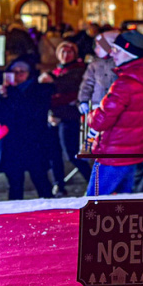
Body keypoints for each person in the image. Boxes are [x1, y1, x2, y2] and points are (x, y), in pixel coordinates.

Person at [87, 30, 143, 195]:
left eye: (117, 50)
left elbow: (100, 121)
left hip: (114, 153)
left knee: (93, 204)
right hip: (135, 151)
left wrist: (91, 114)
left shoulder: (124, 84)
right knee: (121, 205)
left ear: (130, 54)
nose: (113, 54)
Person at [0, 60, 54, 200]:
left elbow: (29, 112)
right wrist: (1, 97)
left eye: (22, 71)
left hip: (33, 143)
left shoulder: (37, 89)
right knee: (15, 184)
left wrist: (12, 93)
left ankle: (52, 213)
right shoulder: (6, 91)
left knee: (40, 180)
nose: (18, 75)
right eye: (14, 72)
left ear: (29, 74)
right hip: (12, 144)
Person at [41, 41, 91, 195]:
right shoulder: (57, 71)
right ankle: (59, 185)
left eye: (69, 52)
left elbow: (69, 92)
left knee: (72, 153)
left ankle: (92, 182)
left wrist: (52, 89)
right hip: (54, 117)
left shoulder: (79, 71)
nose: (65, 55)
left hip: (69, 118)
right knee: (54, 153)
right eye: (62, 52)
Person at [78, 30, 119, 113]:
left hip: (115, 104)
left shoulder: (118, 63)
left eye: (99, 46)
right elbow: (87, 82)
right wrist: (84, 100)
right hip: (97, 103)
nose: (96, 49)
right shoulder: (94, 64)